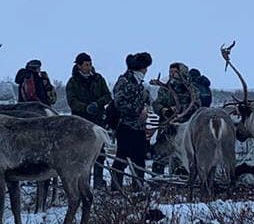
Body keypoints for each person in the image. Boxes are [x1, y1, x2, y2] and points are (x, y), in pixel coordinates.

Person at [66, 52, 113, 188]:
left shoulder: (98, 79)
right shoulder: (73, 82)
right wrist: (85, 107)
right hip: (80, 122)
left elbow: (107, 96)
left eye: (90, 64)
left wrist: (97, 104)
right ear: (79, 66)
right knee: (81, 153)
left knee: (100, 152)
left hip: (98, 120)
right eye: (86, 64)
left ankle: (98, 182)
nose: (89, 67)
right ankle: (81, 183)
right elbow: (72, 101)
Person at [111, 52, 152, 191]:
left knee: (139, 160)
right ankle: (116, 189)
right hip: (126, 126)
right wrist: (137, 112)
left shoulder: (140, 84)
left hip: (139, 128)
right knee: (121, 159)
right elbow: (119, 103)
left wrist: (145, 108)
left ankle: (138, 189)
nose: (146, 70)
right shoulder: (124, 81)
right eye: (145, 67)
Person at [151, 62, 196, 176]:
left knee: (184, 156)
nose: (172, 74)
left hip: (185, 128)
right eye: (170, 72)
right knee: (160, 155)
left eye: (175, 72)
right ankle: (157, 180)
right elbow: (156, 103)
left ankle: (183, 179)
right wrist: (163, 110)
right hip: (167, 127)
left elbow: (196, 105)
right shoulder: (165, 88)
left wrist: (179, 109)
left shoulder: (191, 89)